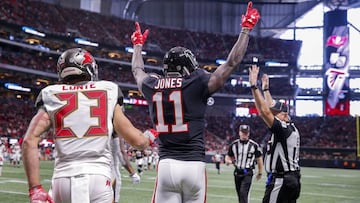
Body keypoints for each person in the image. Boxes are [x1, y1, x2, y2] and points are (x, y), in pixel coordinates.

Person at [131, 2, 260, 202]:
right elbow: (231, 63)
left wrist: (137, 46)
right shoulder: (197, 81)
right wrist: (246, 29)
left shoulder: (151, 84)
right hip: (194, 165)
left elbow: (137, 71)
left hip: (166, 164)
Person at [22, 48, 158, 203]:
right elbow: (138, 142)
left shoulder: (51, 93)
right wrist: (150, 135)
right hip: (98, 177)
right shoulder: (108, 90)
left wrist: (35, 189)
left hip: (62, 179)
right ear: (90, 68)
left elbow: (29, 141)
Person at [248, 65, 301, 203]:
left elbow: (264, 111)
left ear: (284, 115)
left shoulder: (283, 129)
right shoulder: (290, 127)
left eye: (275, 114)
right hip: (291, 179)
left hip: (281, 180)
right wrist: (265, 89)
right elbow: (271, 106)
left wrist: (254, 86)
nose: (272, 115)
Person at [225, 124, 263, 203]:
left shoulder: (254, 145)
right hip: (237, 172)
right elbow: (228, 155)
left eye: (246, 133)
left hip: (248, 172)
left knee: (243, 193)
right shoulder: (234, 144)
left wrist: (260, 172)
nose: (244, 134)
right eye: (242, 132)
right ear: (239, 132)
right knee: (240, 195)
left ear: (248, 133)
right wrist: (227, 161)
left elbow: (259, 159)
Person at [111, 136, 141, 203]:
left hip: (85, 168)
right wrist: (132, 173)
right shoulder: (115, 127)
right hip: (108, 170)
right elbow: (121, 152)